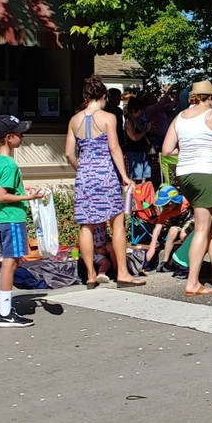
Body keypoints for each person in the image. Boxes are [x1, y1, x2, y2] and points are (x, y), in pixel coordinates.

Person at [161, 80, 212, 296]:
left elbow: (167, 149)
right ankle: (192, 282)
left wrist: (187, 152)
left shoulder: (179, 118)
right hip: (205, 173)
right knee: (202, 227)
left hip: (185, 174)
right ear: (209, 98)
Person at [65, 76, 146, 289]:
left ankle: (91, 275)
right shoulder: (109, 117)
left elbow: (68, 153)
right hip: (106, 175)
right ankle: (122, 273)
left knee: (86, 225)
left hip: (85, 176)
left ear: (84, 97)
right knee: (116, 222)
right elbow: (114, 148)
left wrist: (81, 169)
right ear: (103, 96)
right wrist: (126, 177)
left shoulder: (74, 121)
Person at [0, 114, 47, 328]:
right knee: (11, 261)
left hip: (1, 218)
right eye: (19, 133)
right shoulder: (9, 165)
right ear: (9, 137)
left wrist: (21, 188)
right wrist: (29, 196)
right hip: (12, 217)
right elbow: (0, 195)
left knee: (12, 260)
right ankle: (5, 313)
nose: (22, 136)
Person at [123, 97, 153, 184]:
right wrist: (146, 131)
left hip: (143, 150)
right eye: (139, 111)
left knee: (145, 175)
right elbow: (134, 137)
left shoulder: (139, 121)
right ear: (133, 110)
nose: (141, 113)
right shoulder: (129, 122)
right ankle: (135, 194)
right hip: (134, 152)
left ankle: (143, 192)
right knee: (136, 176)